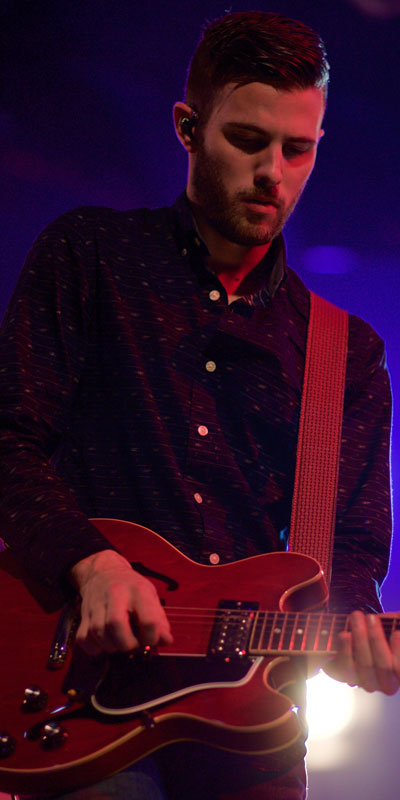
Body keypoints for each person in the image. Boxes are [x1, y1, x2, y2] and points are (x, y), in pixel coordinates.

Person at [0, 10, 398, 800]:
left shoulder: (344, 352)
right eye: (247, 140)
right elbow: (9, 437)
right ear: (188, 128)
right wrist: (90, 562)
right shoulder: (90, 257)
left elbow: (348, 552)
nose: (273, 172)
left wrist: (360, 632)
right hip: (77, 696)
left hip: (250, 736)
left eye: (298, 149)